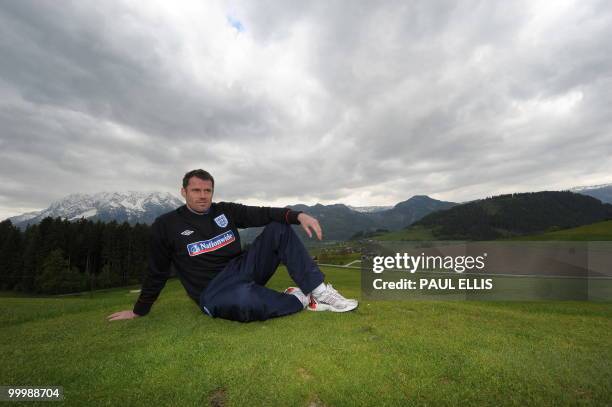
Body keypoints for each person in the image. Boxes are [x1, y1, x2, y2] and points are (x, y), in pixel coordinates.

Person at [107, 169, 357, 323]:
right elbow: (157, 270)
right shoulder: (166, 224)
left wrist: (298, 215)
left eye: (207, 190)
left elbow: (263, 213)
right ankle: (300, 299)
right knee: (244, 301)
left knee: (278, 227)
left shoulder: (224, 211)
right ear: (183, 192)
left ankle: (319, 290)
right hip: (213, 291)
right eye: (196, 190)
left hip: (243, 269)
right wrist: (140, 310)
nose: (203, 195)